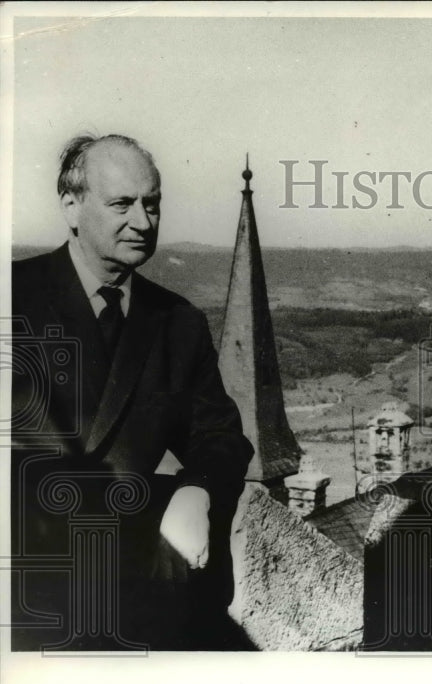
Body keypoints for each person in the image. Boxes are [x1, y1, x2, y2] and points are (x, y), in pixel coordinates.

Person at [10, 134, 255, 651]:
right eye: (122, 204)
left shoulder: (177, 323)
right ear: (71, 207)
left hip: (130, 598)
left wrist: (197, 490)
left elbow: (221, 436)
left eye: (152, 204)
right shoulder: (13, 299)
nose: (143, 223)